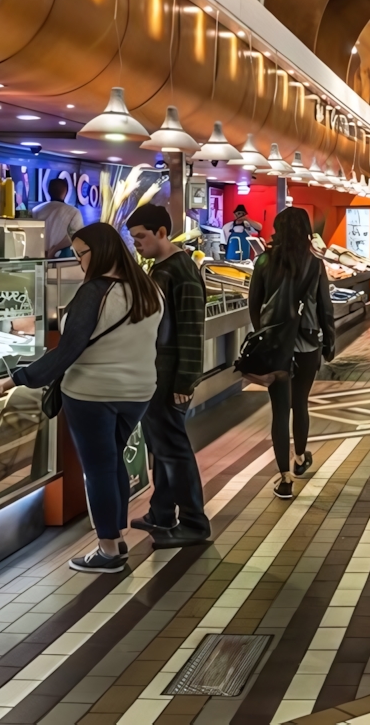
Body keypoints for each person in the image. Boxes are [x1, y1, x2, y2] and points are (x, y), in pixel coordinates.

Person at [0, 223, 163, 574]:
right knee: (113, 460)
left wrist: (16, 379)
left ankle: (107, 549)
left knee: (98, 469)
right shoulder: (148, 288)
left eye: (79, 253)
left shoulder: (94, 293)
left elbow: (67, 351)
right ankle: (116, 536)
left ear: (97, 252)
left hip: (92, 393)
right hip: (139, 391)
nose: (78, 261)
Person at [126, 204, 210, 548]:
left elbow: (192, 328)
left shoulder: (181, 271)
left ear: (162, 232)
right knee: (161, 447)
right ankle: (161, 512)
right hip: (155, 372)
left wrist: (185, 380)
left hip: (169, 376)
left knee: (173, 449)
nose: (137, 244)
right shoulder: (161, 267)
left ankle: (194, 521)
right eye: (132, 239)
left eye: (142, 237)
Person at [248, 207, 337, 499]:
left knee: (278, 410)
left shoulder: (263, 261)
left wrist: (267, 336)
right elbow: (325, 306)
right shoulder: (314, 263)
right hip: (307, 344)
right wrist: (329, 342)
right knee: (300, 403)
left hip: (275, 347)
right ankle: (300, 457)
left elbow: (254, 304)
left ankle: (284, 478)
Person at [33, 178, 84, 258]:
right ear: (66, 192)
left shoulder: (35, 210)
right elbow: (79, 240)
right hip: (63, 262)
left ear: (48, 191)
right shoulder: (73, 212)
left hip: (37, 259)